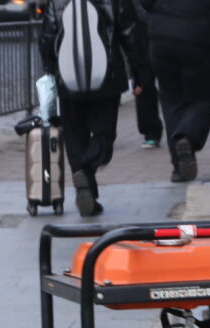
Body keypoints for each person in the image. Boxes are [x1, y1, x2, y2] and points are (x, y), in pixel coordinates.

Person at [40, 0, 150, 216]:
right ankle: (87, 169)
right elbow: (130, 33)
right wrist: (139, 71)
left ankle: (85, 186)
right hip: (106, 77)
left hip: (68, 78)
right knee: (104, 134)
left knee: (74, 137)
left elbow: (47, 37)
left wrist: (52, 71)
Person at [141, 0, 210, 182]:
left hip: (161, 37)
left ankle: (179, 166)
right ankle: (188, 137)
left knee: (171, 100)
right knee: (205, 98)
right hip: (199, 38)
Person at [132, 0, 164, 148]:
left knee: (170, 81)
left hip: (163, 23)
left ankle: (153, 131)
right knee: (144, 82)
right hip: (142, 28)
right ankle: (151, 131)